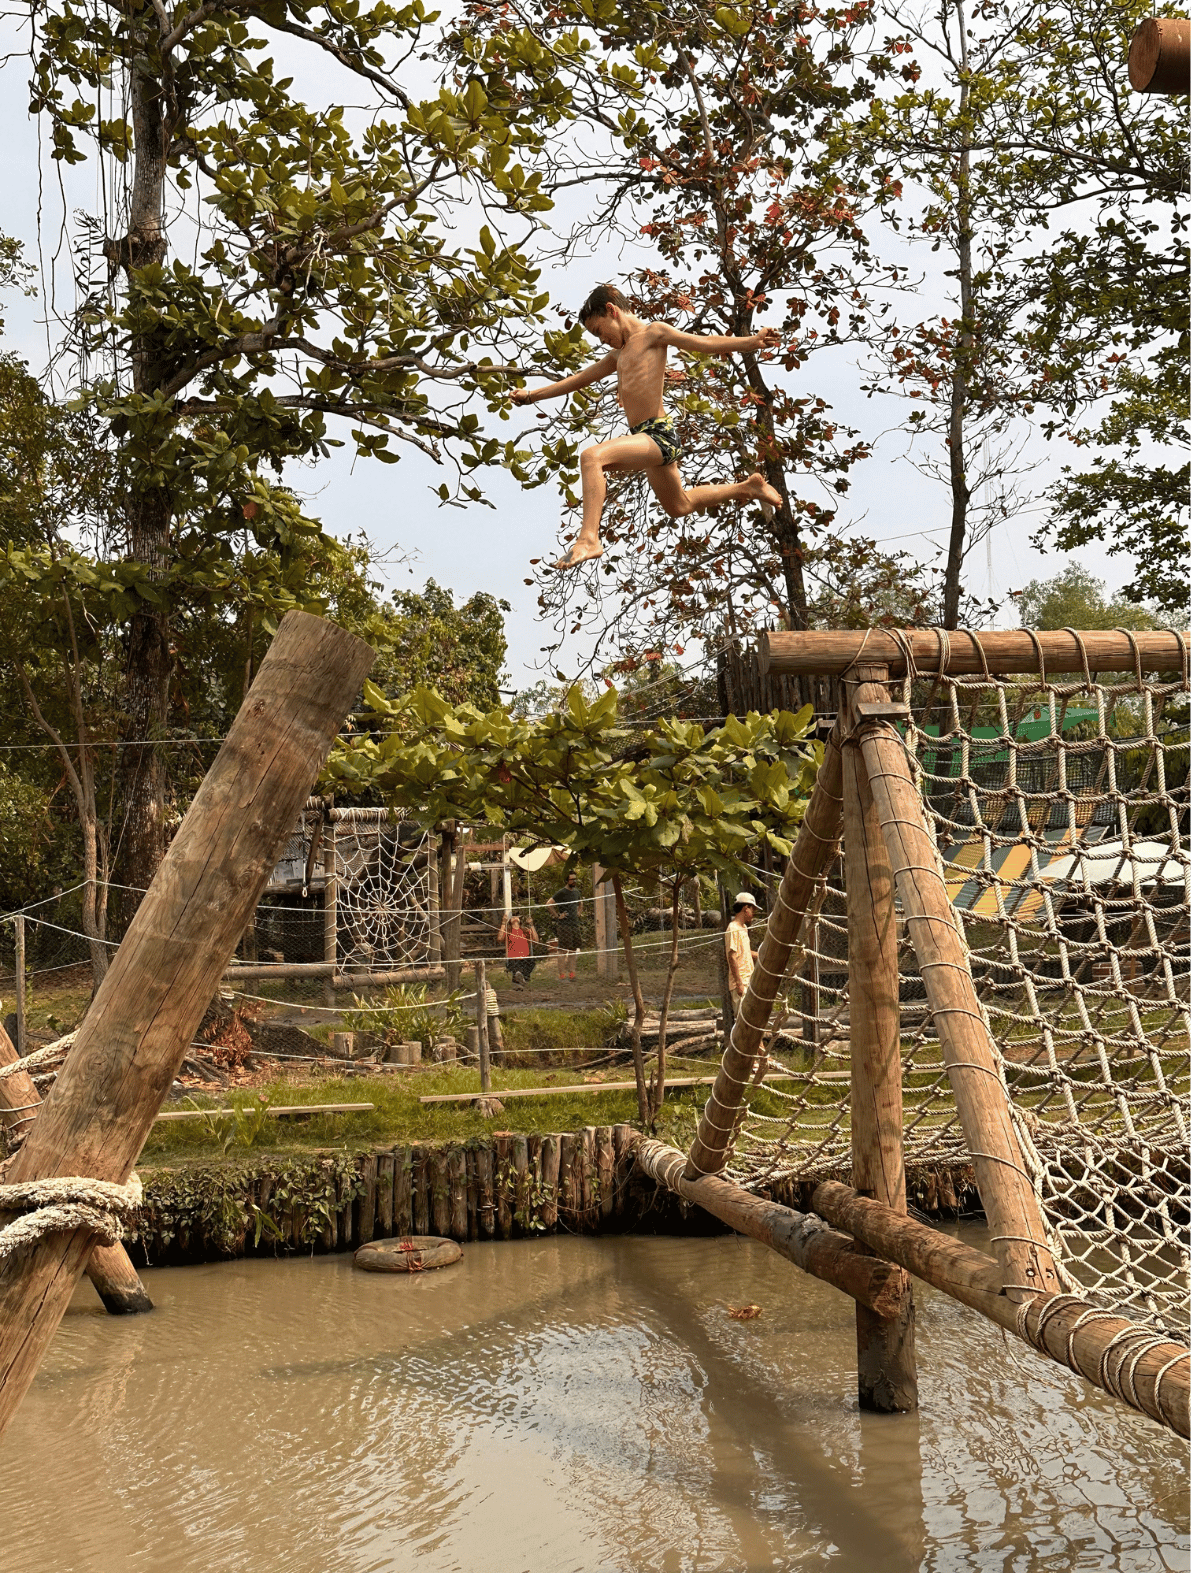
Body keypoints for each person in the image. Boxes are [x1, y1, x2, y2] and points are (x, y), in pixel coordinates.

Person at [510, 283, 784, 568]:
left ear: (611, 310)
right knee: (679, 506)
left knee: (592, 457)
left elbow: (703, 343)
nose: (601, 340)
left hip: (659, 434)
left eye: (598, 331)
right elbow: (577, 380)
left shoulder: (653, 333)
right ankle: (748, 488)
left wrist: (750, 342)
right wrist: (532, 396)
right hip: (644, 439)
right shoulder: (617, 356)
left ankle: (589, 538)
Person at [725, 891, 761, 1020]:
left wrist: (763, 955)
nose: (753, 913)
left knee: (753, 1021)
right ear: (746, 908)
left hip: (749, 981)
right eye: (753, 909)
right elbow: (732, 956)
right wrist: (739, 983)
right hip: (741, 984)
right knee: (744, 1022)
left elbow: (744, 952)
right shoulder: (733, 928)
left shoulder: (744, 928)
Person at [546, 870, 583, 980]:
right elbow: (548, 904)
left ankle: (572, 973)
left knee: (573, 949)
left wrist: (578, 913)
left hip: (574, 924)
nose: (574, 881)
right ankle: (562, 974)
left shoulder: (577, 892)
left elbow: (581, 904)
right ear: (567, 880)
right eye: (571, 879)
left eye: (575, 879)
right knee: (563, 949)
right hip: (564, 925)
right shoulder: (561, 892)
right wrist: (558, 916)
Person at [498, 912, 539, 988]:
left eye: (517, 916)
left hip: (525, 958)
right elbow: (500, 938)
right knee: (516, 966)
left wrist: (531, 925)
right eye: (513, 917)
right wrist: (503, 923)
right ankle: (520, 977)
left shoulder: (525, 931)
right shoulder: (508, 931)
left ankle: (519, 979)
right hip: (513, 958)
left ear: (520, 920)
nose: (515, 918)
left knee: (530, 962)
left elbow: (536, 940)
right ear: (509, 920)